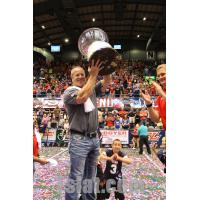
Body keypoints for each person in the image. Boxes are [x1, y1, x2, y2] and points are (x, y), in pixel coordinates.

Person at [63, 59, 111, 200]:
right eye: (76, 75)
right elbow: (82, 97)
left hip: (94, 139)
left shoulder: (91, 88)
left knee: (90, 176)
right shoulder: (69, 91)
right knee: (76, 176)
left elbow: (106, 82)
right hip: (78, 139)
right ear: (71, 78)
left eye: (82, 74)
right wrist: (93, 75)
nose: (80, 77)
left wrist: (106, 68)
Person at [140, 64, 166, 130]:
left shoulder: (161, 94)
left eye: (163, 74)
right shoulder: (160, 98)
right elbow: (156, 119)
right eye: (158, 76)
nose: (160, 77)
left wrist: (161, 92)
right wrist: (149, 104)